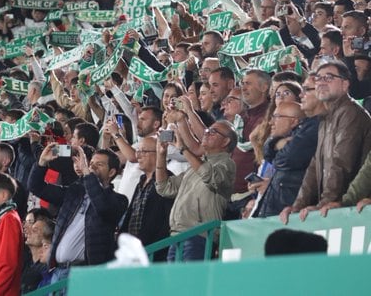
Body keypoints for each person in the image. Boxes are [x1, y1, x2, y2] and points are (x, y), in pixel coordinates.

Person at [280, 61, 371, 223]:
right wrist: (298, 205)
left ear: (345, 84)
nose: (321, 82)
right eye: (318, 79)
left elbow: (341, 163)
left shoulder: (350, 113)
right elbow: (314, 167)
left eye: (328, 78)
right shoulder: (325, 118)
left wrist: (327, 203)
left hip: (351, 211)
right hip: (342, 206)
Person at [29, 145, 128, 282]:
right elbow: (37, 187)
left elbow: (102, 207)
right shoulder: (74, 192)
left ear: (111, 172)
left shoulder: (119, 200)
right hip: (58, 271)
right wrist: (42, 163)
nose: (92, 167)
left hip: (84, 274)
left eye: (99, 164)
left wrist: (87, 173)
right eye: (91, 163)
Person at [155, 120, 237, 261]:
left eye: (213, 132)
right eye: (207, 130)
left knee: (190, 282)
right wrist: (161, 154)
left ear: (226, 142)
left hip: (200, 235)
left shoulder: (227, 164)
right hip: (177, 236)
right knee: (174, 282)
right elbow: (165, 188)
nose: (206, 133)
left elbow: (211, 176)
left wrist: (183, 149)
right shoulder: (196, 166)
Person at [254, 101, 317, 217]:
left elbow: (282, 161)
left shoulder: (304, 143)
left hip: (288, 215)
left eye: (276, 117)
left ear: (294, 121)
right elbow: (267, 154)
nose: (270, 122)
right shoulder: (281, 142)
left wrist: (278, 147)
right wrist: (276, 143)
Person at [121, 135, 173, 262]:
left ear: (159, 153)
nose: (138, 155)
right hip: (133, 253)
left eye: (143, 151)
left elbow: (167, 222)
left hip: (153, 254)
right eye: (137, 151)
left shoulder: (168, 181)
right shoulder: (141, 181)